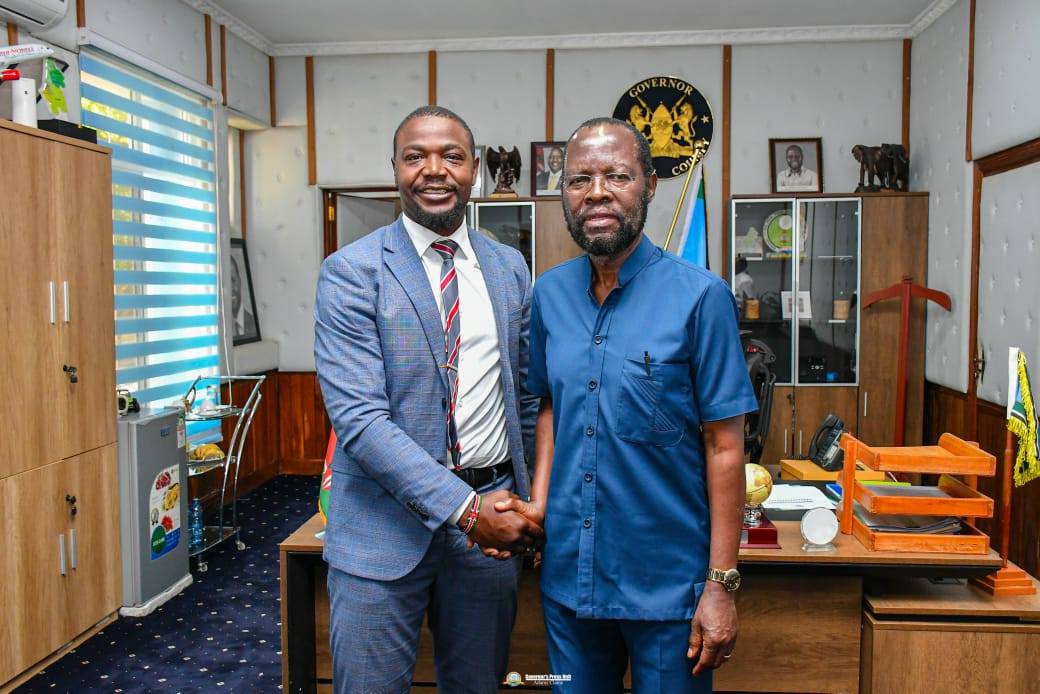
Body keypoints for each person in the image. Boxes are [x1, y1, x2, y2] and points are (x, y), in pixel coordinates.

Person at [495, 117, 757, 693]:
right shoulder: (549, 294)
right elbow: (549, 407)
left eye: (617, 176)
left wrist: (721, 584)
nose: (597, 193)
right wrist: (540, 504)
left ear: (650, 185)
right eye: (579, 180)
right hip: (569, 577)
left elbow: (725, 446)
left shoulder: (701, 297)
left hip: (667, 586)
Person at [313, 105, 541, 694]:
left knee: (478, 686)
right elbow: (360, 422)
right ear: (395, 168)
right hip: (381, 527)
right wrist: (466, 511)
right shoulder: (351, 271)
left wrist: (532, 506)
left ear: (475, 170)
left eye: (451, 156)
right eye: (416, 156)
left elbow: (524, 398)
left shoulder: (509, 267)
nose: (434, 170)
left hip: (492, 522)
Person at [229, 254, 257, 338]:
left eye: (233, 280)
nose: (230, 288)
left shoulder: (255, 324)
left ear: (240, 281)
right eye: (223, 284)